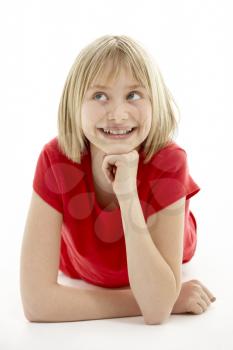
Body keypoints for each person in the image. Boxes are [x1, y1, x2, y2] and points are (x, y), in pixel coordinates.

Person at [20, 34, 216, 324]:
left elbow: (157, 311)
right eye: (99, 96)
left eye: (133, 95)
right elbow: (37, 305)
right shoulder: (55, 159)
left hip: (163, 240)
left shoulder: (169, 160)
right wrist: (161, 298)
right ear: (75, 105)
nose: (119, 115)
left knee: (169, 247)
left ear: (154, 102)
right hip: (82, 261)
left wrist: (127, 194)